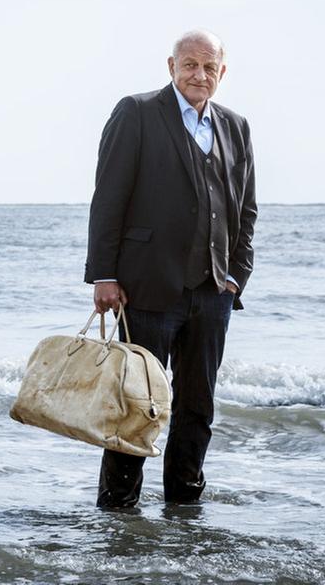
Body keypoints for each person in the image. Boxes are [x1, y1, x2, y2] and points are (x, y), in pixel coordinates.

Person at [83, 29, 256, 508]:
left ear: (222, 72)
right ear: (171, 67)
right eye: (190, 66)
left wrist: (235, 275)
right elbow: (109, 198)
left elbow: (247, 210)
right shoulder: (137, 112)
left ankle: (184, 505)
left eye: (209, 67)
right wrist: (104, 274)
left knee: (198, 407)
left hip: (212, 292)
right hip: (147, 289)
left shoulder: (235, 126)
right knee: (138, 404)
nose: (199, 75)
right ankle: (118, 509)